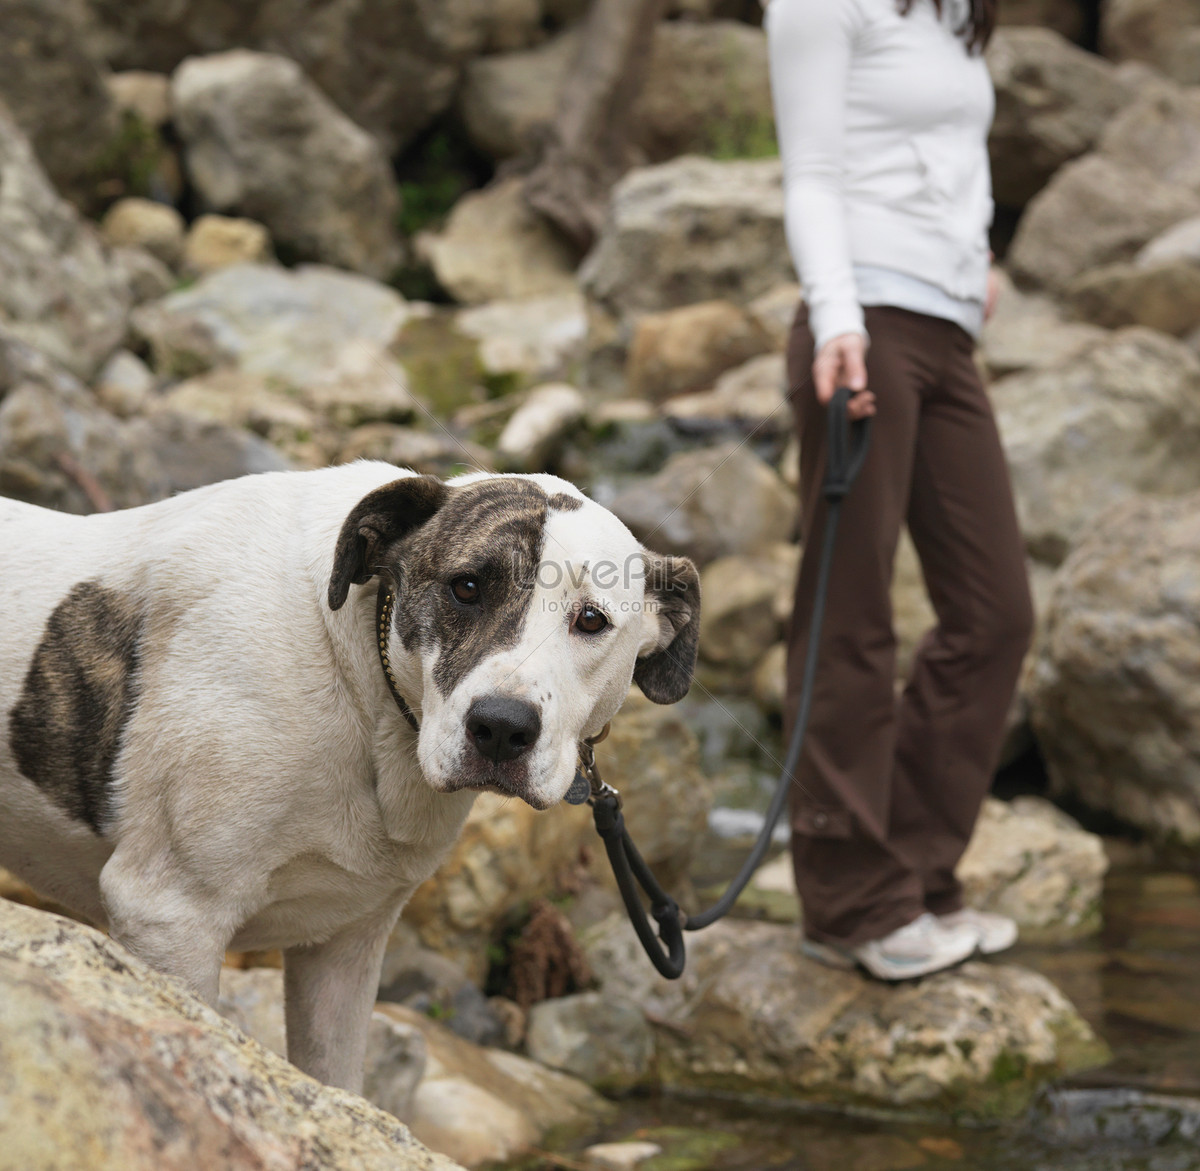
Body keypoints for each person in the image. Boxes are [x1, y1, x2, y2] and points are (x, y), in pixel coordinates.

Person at [765, 0, 1034, 980]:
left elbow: (944, 150)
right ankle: (848, 902)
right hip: (863, 324)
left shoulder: (950, 10)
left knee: (996, 611)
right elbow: (816, 174)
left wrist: (975, 261)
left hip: (945, 330)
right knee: (852, 618)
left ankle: (915, 872)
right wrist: (837, 316)